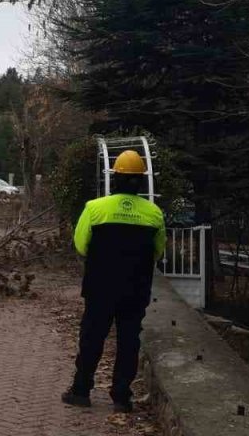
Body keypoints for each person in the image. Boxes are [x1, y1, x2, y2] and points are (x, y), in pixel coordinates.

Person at [62, 150, 165, 413]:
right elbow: (158, 251)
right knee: (129, 341)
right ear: (141, 181)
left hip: (100, 287)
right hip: (136, 289)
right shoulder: (154, 214)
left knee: (92, 338)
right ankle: (121, 397)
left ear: (115, 177)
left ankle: (81, 390)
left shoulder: (95, 208)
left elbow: (81, 245)